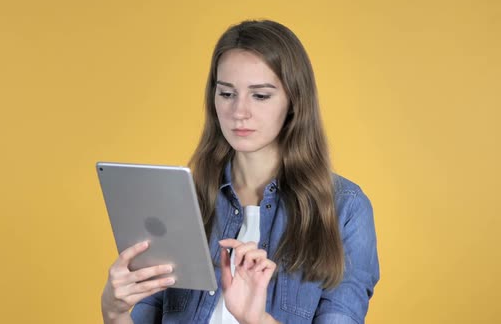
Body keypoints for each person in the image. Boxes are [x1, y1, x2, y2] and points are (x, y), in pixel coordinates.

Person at [101, 19, 380, 324]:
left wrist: (257, 320)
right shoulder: (181, 199)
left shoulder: (345, 208)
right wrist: (114, 312)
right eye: (227, 93)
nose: (239, 112)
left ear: (294, 102)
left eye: (260, 95)